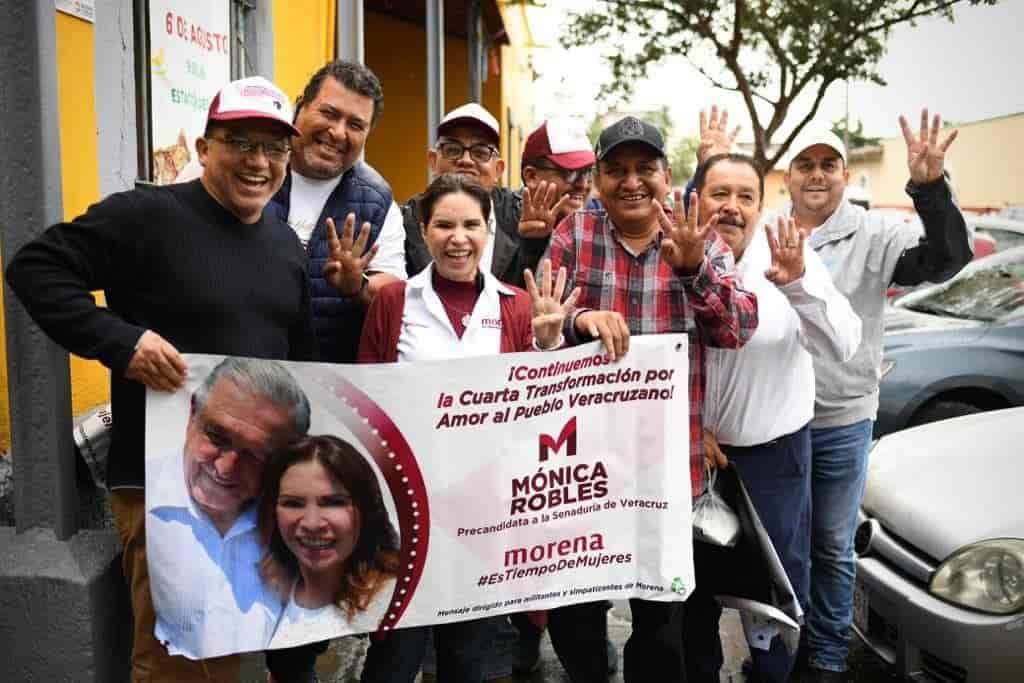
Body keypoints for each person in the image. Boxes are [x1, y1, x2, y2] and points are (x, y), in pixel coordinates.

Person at [5, 76, 316, 682]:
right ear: (204, 149)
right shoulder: (147, 216)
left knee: (231, 647)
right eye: (240, 143)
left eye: (275, 148)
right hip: (161, 485)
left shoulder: (284, 243)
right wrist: (122, 343)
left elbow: (297, 359)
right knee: (174, 658)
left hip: (252, 486)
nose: (259, 162)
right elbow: (36, 268)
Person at [542, 116, 759, 682]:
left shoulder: (700, 237)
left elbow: (737, 328)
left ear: (667, 175)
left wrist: (693, 273)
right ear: (597, 178)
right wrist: (578, 319)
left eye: (645, 169)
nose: (631, 182)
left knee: (663, 631)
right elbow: (537, 322)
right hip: (582, 472)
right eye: (616, 170)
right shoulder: (574, 234)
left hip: (668, 475)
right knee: (574, 620)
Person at [768, 111, 971, 680]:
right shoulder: (768, 229)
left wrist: (930, 188)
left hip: (841, 419)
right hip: (772, 423)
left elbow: (946, 259)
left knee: (832, 544)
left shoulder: (876, 232)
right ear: (787, 177)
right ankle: (780, 645)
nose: (817, 174)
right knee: (782, 548)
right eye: (804, 164)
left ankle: (828, 654)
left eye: (828, 164)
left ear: (843, 173)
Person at [358, 172, 579, 682]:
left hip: (485, 512)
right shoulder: (393, 304)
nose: (458, 238)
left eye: (471, 225)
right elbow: (368, 403)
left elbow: (540, 404)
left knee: (470, 660)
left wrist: (547, 344)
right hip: (406, 508)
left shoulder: (515, 306)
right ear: (423, 230)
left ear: (489, 229)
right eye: (444, 225)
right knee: (393, 655)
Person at [678, 153, 861, 682]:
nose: (731, 208)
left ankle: (773, 673)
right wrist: (686, 428)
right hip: (692, 455)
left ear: (761, 205)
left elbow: (843, 345)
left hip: (773, 458)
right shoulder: (676, 252)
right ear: (698, 197)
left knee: (775, 594)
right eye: (719, 194)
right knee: (691, 592)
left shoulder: (786, 253)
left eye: (745, 197)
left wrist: (799, 285)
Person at [146, 357, 311, 659]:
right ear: (192, 411)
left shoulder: (304, 531)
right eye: (217, 437)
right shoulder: (140, 503)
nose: (224, 469)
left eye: (256, 455)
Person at [269, 60, 408, 363]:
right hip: (237, 379)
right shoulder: (247, 166)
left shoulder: (378, 201)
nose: (338, 132)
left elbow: (393, 294)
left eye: (355, 125)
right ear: (300, 106)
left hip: (329, 390)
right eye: (329, 113)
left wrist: (357, 285)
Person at [259, 435, 400, 650]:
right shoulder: (263, 591)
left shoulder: (394, 603)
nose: (312, 523)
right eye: (292, 503)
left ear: (367, 509)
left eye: (333, 503)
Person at [403, 103, 538, 288]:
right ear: (433, 161)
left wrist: (536, 243)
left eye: (480, 152)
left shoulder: (521, 216)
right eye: (452, 149)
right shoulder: (407, 219)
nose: (465, 160)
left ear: (498, 169)